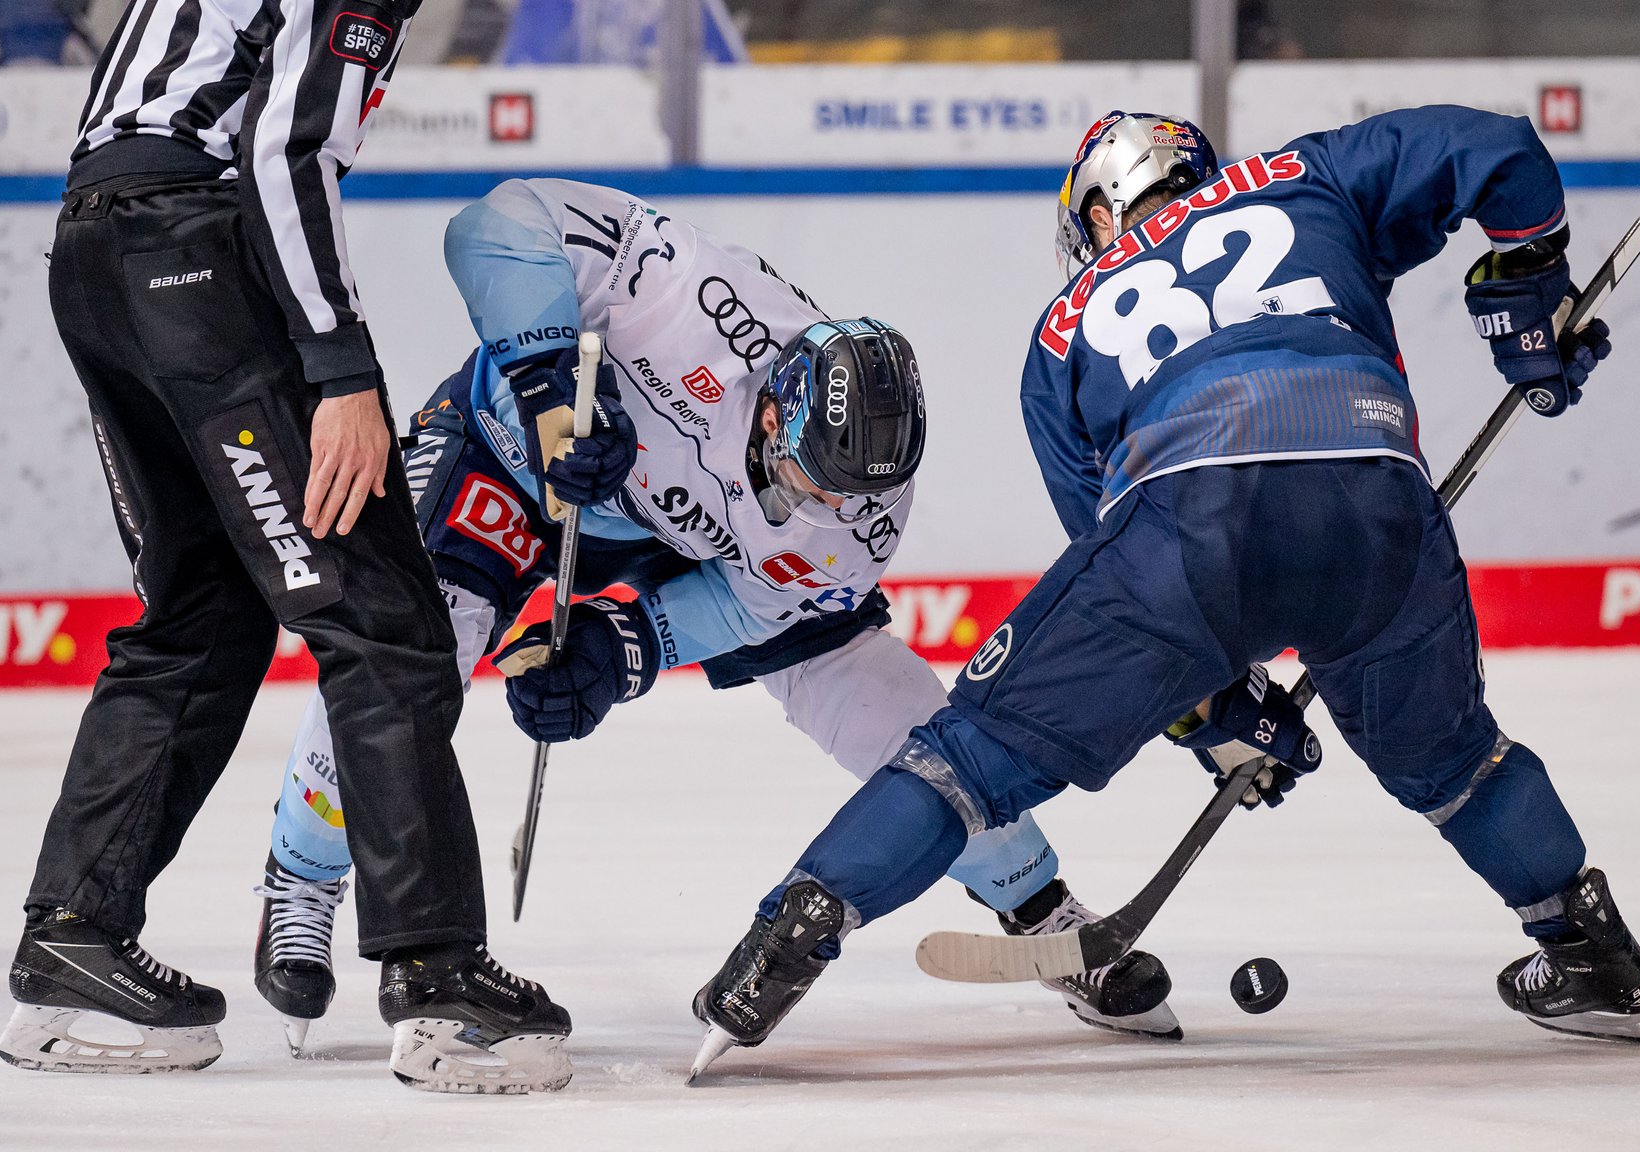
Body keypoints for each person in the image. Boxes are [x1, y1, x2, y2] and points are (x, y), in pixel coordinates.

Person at [690, 107, 1640, 1076]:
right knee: (1454, 761)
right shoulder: (1309, 177)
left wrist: (1211, 704)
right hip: (1374, 489)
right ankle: (1592, 952)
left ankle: (783, 945)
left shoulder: (1056, 335)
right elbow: (1496, 148)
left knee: (970, 760)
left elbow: (1116, 557)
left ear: (1093, 213)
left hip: (1184, 517)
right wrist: (1526, 282)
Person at [247, 177, 1186, 1067]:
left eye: (844, 496)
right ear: (777, 407)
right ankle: (303, 873)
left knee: (878, 697)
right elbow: (496, 223)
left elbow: (749, 601)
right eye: (808, 480)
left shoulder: (857, 515)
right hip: (516, 456)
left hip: (694, 541)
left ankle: (1044, 909)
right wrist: (551, 393)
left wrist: (622, 650)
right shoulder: (690, 296)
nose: (817, 509)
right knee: (413, 651)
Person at [0, 0, 606, 1095]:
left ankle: (72, 938)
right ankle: (434, 972)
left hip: (95, 251)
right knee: (384, 626)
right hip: (189, 252)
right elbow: (283, 149)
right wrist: (339, 371)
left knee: (200, 615)